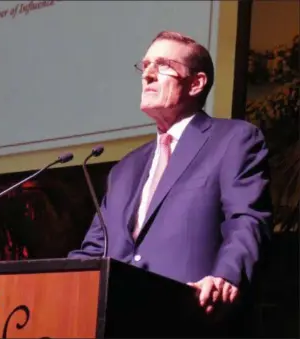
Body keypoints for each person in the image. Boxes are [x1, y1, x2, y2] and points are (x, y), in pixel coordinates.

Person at [68, 31, 272, 334]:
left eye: (162, 65)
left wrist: (227, 277)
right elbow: (95, 248)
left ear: (196, 83)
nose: (147, 74)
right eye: (145, 65)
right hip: (115, 323)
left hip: (189, 319)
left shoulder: (233, 140)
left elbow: (247, 219)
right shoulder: (125, 168)